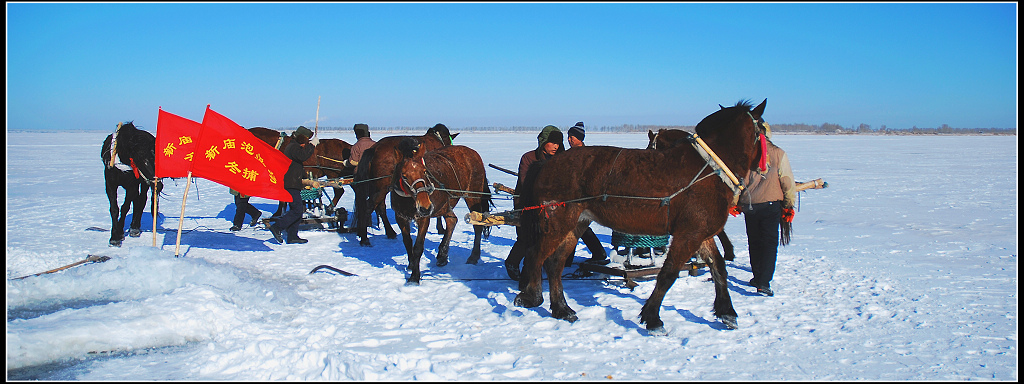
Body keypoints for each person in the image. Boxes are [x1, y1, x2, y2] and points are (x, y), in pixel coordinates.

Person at [738, 126, 796, 297]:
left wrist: (736, 202)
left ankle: (758, 277)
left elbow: (738, 182)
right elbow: (787, 182)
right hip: (771, 205)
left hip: (750, 205)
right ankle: (763, 282)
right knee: (769, 243)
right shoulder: (778, 153)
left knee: (754, 242)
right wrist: (789, 204)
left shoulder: (745, 154)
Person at [505, 125, 565, 280]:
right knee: (527, 238)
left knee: (543, 239)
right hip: (526, 203)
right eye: (552, 142)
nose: (555, 146)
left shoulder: (561, 159)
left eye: (558, 143)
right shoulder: (528, 158)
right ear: (543, 141)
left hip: (551, 207)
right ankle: (512, 262)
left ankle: (530, 273)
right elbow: (526, 182)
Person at [565, 122, 609, 265]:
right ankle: (598, 252)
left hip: (582, 196)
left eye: (572, 137)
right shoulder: (569, 153)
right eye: (568, 137)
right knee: (577, 226)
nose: (569, 139)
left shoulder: (587, 154)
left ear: (579, 138)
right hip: (573, 195)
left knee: (575, 226)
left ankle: (568, 258)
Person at [269, 126, 318, 244]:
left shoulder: (293, 146)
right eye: (306, 140)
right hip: (291, 183)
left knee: (297, 210)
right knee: (297, 210)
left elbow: (297, 162)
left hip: (294, 182)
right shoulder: (293, 147)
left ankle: (292, 236)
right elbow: (303, 156)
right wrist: (312, 145)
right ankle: (277, 227)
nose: (306, 143)